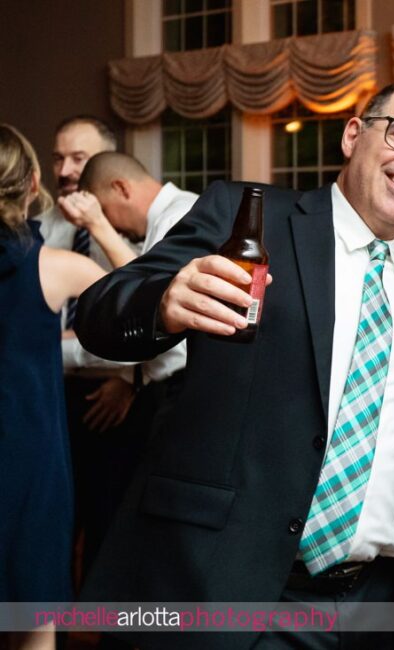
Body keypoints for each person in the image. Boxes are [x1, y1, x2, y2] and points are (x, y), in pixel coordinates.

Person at [74, 83, 394, 650]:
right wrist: (164, 302)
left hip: (377, 608)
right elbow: (102, 312)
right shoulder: (244, 217)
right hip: (233, 596)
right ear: (352, 135)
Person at [55, 151, 196, 580]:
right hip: (156, 391)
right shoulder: (163, 221)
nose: (114, 228)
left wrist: (97, 225)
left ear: (120, 189)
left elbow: (154, 304)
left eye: (109, 214)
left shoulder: (183, 215)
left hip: (180, 396)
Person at [0, 124, 104, 649]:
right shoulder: (54, 266)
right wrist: (100, 225)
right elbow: (148, 296)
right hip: (28, 466)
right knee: (34, 621)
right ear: (34, 181)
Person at [32, 116, 148, 579]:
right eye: (58, 157)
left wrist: (128, 378)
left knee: (109, 531)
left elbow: (150, 313)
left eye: (78, 158)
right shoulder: (36, 228)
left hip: (111, 401)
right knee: (47, 528)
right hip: (47, 396)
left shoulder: (129, 234)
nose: (64, 170)